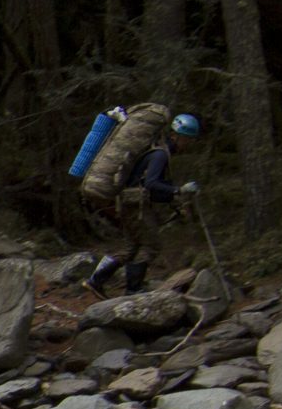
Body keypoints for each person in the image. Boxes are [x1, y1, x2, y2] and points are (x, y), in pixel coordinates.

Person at [84, 108, 201, 294]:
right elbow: (152, 184)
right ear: (175, 136)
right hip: (135, 206)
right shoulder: (160, 155)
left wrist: (175, 197)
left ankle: (96, 281)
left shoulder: (157, 153)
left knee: (131, 247)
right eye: (187, 139)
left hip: (128, 202)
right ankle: (132, 290)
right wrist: (178, 190)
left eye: (191, 140)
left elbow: (152, 188)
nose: (189, 144)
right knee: (151, 246)